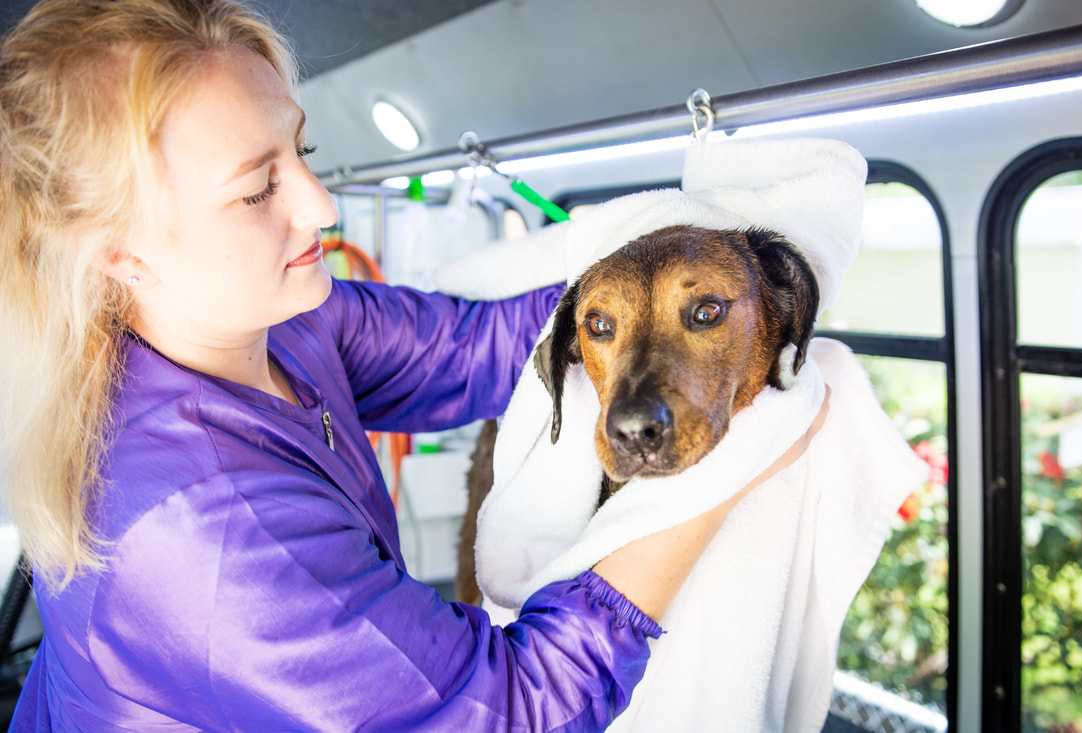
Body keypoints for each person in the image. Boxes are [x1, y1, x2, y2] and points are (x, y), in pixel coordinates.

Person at [0, 1, 821, 730]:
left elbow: (485, 346)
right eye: (257, 190)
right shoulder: (206, 531)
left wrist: (719, 271)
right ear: (121, 253)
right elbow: (511, 711)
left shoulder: (286, 323)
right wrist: (717, 477)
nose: (318, 204)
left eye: (300, 149)